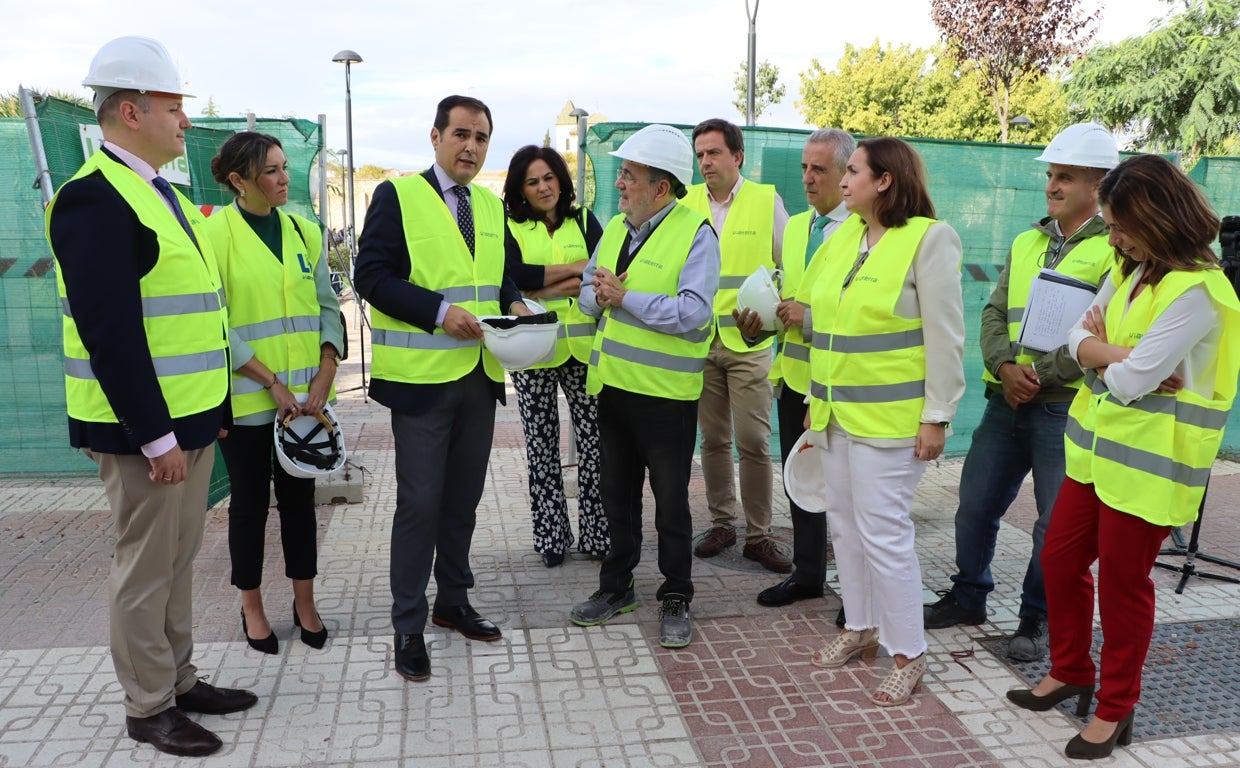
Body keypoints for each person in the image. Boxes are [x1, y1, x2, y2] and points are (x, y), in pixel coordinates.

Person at [45, 36, 257, 757]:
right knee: (144, 570)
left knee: (174, 563)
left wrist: (212, 416)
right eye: (175, 108)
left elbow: (197, 316)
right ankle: (147, 706)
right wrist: (157, 437)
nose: (186, 122)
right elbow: (112, 334)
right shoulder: (93, 199)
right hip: (146, 435)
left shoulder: (156, 192)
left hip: (187, 425)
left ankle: (179, 680)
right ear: (131, 111)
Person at [1007, 154, 1240, 760]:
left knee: (1122, 587)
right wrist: (1110, 351)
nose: (1112, 237)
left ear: (1159, 219)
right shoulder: (1133, 266)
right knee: (1059, 562)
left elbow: (1133, 379)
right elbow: (1078, 342)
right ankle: (1071, 668)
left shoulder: (1200, 292)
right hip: (1097, 453)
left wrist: (1102, 353)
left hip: (1151, 469)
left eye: (1121, 225)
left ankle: (1116, 708)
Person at [354, 95, 537, 683]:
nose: (471, 147)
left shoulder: (488, 203)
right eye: (461, 134)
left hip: (479, 380)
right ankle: (408, 623)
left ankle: (452, 602)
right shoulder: (398, 196)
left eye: (482, 138)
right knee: (419, 506)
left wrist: (514, 301)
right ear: (435, 136)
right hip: (422, 386)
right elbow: (371, 275)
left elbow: (499, 271)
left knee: (462, 503)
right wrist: (437, 311)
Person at [923, 123, 1119, 662]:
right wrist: (1006, 367)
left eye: (1065, 177)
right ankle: (968, 597)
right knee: (974, 507)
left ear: (1098, 185)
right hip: (1004, 403)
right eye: (1050, 175)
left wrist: (1038, 375)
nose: (1051, 185)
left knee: (1053, 526)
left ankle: (1037, 619)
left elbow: (1102, 336)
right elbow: (994, 312)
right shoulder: (1026, 241)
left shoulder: (1114, 252)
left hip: (1063, 408)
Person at [804, 137, 965, 706]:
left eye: (852, 171)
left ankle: (909, 654)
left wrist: (938, 415)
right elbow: (819, 321)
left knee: (886, 537)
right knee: (844, 526)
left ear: (885, 181)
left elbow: (945, 336)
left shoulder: (928, 239)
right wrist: (812, 396)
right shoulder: (842, 235)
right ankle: (861, 626)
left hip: (892, 423)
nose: (842, 181)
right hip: (833, 413)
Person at [568, 124, 721, 648]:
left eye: (629, 176)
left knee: (672, 503)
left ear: (661, 187)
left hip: (666, 398)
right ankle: (617, 587)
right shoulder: (614, 228)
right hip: (612, 390)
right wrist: (598, 294)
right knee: (617, 497)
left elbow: (696, 314)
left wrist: (622, 297)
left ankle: (676, 594)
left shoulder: (696, 233)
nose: (620, 185)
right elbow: (591, 295)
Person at [203, 131, 344, 654]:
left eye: (285, 168)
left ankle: (304, 603)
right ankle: (253, 609)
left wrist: (327, 366)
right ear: (239, 181)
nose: (285, 179)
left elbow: (328, 304)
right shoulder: (214, 237)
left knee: (300, 502)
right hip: (248, 400)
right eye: (271, 171)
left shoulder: (306, 232)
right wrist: (271, 382)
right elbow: (216, 320)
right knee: (249, 506)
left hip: (305, 401)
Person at [746, 128, 856, 613]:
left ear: (846, 173)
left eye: (820, 170)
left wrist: (807, 318)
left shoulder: (862, 231)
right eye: (804, 169)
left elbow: (861, 311)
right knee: (803, 484)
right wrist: (760, 320)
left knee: (850, 494)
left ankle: (859, 596)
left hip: (843, 383)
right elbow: (787, 296)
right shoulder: (795, 227)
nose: (808, 179)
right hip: (795, 380)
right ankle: (808, 575)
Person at [684, 118, 792, 573]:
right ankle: (723, 524)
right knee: (712, 440)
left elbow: (790, 268)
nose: (705, 162)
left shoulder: (766, 201)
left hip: (749, 343)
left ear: (737, 157)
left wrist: (767, 312)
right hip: (699, 340)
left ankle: (759, 535)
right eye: (700, 154)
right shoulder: (687, 203)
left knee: (753, 441)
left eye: (713, 153)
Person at [502, 145, 609, 567]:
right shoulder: (509, 226)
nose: (543, 187)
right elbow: (514, 278)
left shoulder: (584, 219)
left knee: (595, 447)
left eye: (549, 178)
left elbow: (603, 273)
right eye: (532, 181)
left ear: (561, 180)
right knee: (540, 447)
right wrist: (577, 268)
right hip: (532, 352)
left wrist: (541, 289)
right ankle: (551, 538)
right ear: (520, 190)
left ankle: (598, 535)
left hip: (582, 351)